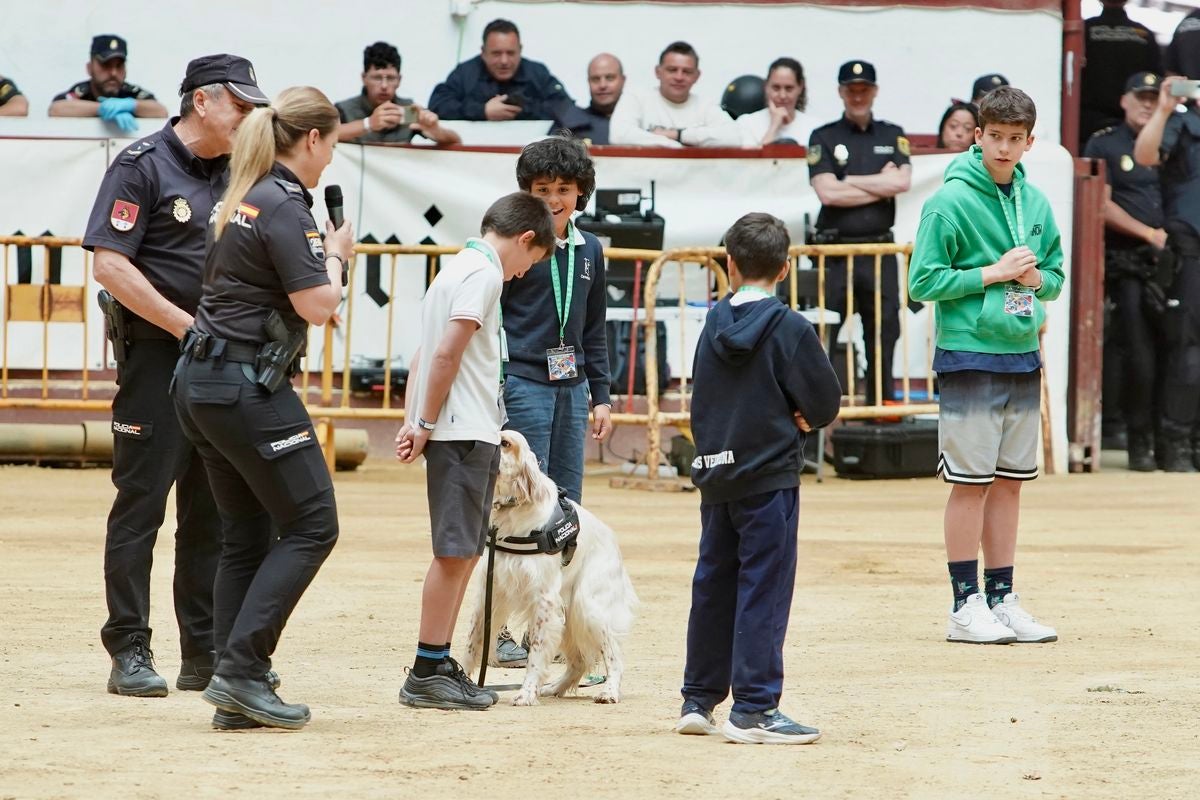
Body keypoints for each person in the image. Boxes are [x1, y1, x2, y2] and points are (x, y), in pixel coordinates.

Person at [82, 54, 268, 700]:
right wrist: (185, 326)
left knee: (211, 510)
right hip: (159, 360)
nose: (249, 119)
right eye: (241, 106)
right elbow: (110, 265)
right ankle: (129, 647)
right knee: (141, 504)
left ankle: (203, 652)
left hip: (220, 364)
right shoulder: (142, 167)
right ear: (203, 102)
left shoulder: (242, 174)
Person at [174, 86, 351, 731]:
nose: (332, 158)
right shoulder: (284, 205)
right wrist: (335, 256)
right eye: (332, 144)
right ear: (311, 140)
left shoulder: (244, 194)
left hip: (202, 381)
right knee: (313, 522)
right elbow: (318, 307)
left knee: (244, 533)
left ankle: (232, 676)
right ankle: (243, 670)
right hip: (244, 384)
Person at [677, 212, 841, 744]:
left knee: (713, 582)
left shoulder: (714, 321)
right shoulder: (790, 327)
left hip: (716, 473)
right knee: (763, 588)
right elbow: (823, 401)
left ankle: (698, 699)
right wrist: (801, 414)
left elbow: (702, 395)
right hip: (768, 475)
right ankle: (753, 709)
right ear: (786, 269)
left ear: (728, 264)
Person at [909, 86, 1064, 645]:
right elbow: (922, 281)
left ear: (1029, 140)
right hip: (969, 352)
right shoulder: (948, 201)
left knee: (1010, 483)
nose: (1004, 148)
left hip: (1022, 352)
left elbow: (1056, 279)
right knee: (970, 483)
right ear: (977, 135)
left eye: (1014, 139)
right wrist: (995, 273)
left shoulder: (1038, 203)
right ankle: (963, 602)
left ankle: (1002, 597)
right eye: (994, 136)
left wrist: (1034, 280)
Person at [394, 192, 554, 710]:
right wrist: (423, 420)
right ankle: (426, 666)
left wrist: (414, 418)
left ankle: (437, 661)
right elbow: (445, 353)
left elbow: (425, 352)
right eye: (530, 261)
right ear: (525, 238)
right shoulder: (484, 275)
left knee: (461, 551)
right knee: (455, 552)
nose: (522, 274)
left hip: (456, 427)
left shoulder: (453, 269)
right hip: (464, 430)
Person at [807, 60, 911, 406]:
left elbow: (902, 181)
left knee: (883, 334)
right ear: (840, 92)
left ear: (875, 91)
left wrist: (848, 180)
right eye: (851, 90)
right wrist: (879, 184)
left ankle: (879, 412)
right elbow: (827, 193)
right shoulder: (823, 136)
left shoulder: (892, 133)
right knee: (823, 336)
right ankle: (815, 419)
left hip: (879, 253)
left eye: (864, 89)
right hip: (834, 252)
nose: (857, 96)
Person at [1084, 72, 1169, 472]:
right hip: (1129, 262)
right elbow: (1099, 202)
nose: (1148, 104)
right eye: (1141, 97)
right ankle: (1138, 444)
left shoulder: (1176, 138)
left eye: (1155, 97)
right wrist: (1150, 234)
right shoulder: (1104, 142)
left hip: (1176, 262)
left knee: (1178, 354)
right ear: (1124, 100)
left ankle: (1173, 441)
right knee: (1138, 355)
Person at [1134, 76, 1200, 471]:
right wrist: (1162, 109)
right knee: (1188, 352)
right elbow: (1145, 155)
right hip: (1190, 250)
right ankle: (1176, 444)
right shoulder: (1181, 122)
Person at [428, 18, 573, 123]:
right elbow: (438, 105)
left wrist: (519, 109)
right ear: (483, 52)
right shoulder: (465, 73)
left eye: (510, 53)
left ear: (520, 50)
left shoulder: (537, 72)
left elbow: (565, 107)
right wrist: (482, 111)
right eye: (496, 54)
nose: (504, 61)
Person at [609, 41, 740, 147]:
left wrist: (678, 135)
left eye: (687, 72)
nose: (679, 77)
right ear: (658, 72)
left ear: (697, 76)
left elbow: (734, 138)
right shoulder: (636, 97)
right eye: (672, 70)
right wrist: (672, 145)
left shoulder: (706, 105)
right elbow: (619, 135)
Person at [335, 41, 460, 145]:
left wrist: (436, 131)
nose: (384, 86)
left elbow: (456, 141)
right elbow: (324, 137)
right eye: (377, 78)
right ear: (364, 78)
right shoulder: (344, 109)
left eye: (390, 78)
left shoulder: (409, 109)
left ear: (399, 80)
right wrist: (369, 123)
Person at [1080, 0, 1162, 148]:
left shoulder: (1083, 30)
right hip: (1135, 126)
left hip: (1087, 125)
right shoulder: (1144, 35)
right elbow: (1158, 82)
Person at [49, 35, 168, 130]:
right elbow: (56, 109)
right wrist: (100, 108)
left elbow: (161, 111)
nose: (113, 73)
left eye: (119, 65)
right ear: (89, 68)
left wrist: (131, 106)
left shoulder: (130, 92)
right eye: (105, 65)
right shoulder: (82, 90)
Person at [736, 57, 809, 147]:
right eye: (776, 88)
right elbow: (751, 160)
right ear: (766, 86)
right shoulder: (747, 123)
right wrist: (774, 126)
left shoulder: (815, 128)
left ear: (800, 87)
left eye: (789, 88)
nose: (782, 95)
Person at [557, 53, 625, 145]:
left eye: (610, 78)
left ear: (623, 80)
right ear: (588, 82)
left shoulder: (642, 122)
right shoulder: (571, 127)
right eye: (595, 79)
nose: (602, 85)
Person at [1164, 8, 1200, 79]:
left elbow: (1170, 68)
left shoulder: (1190, 18)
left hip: (1187, 86)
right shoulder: (1191, 18)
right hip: (1188, 86)